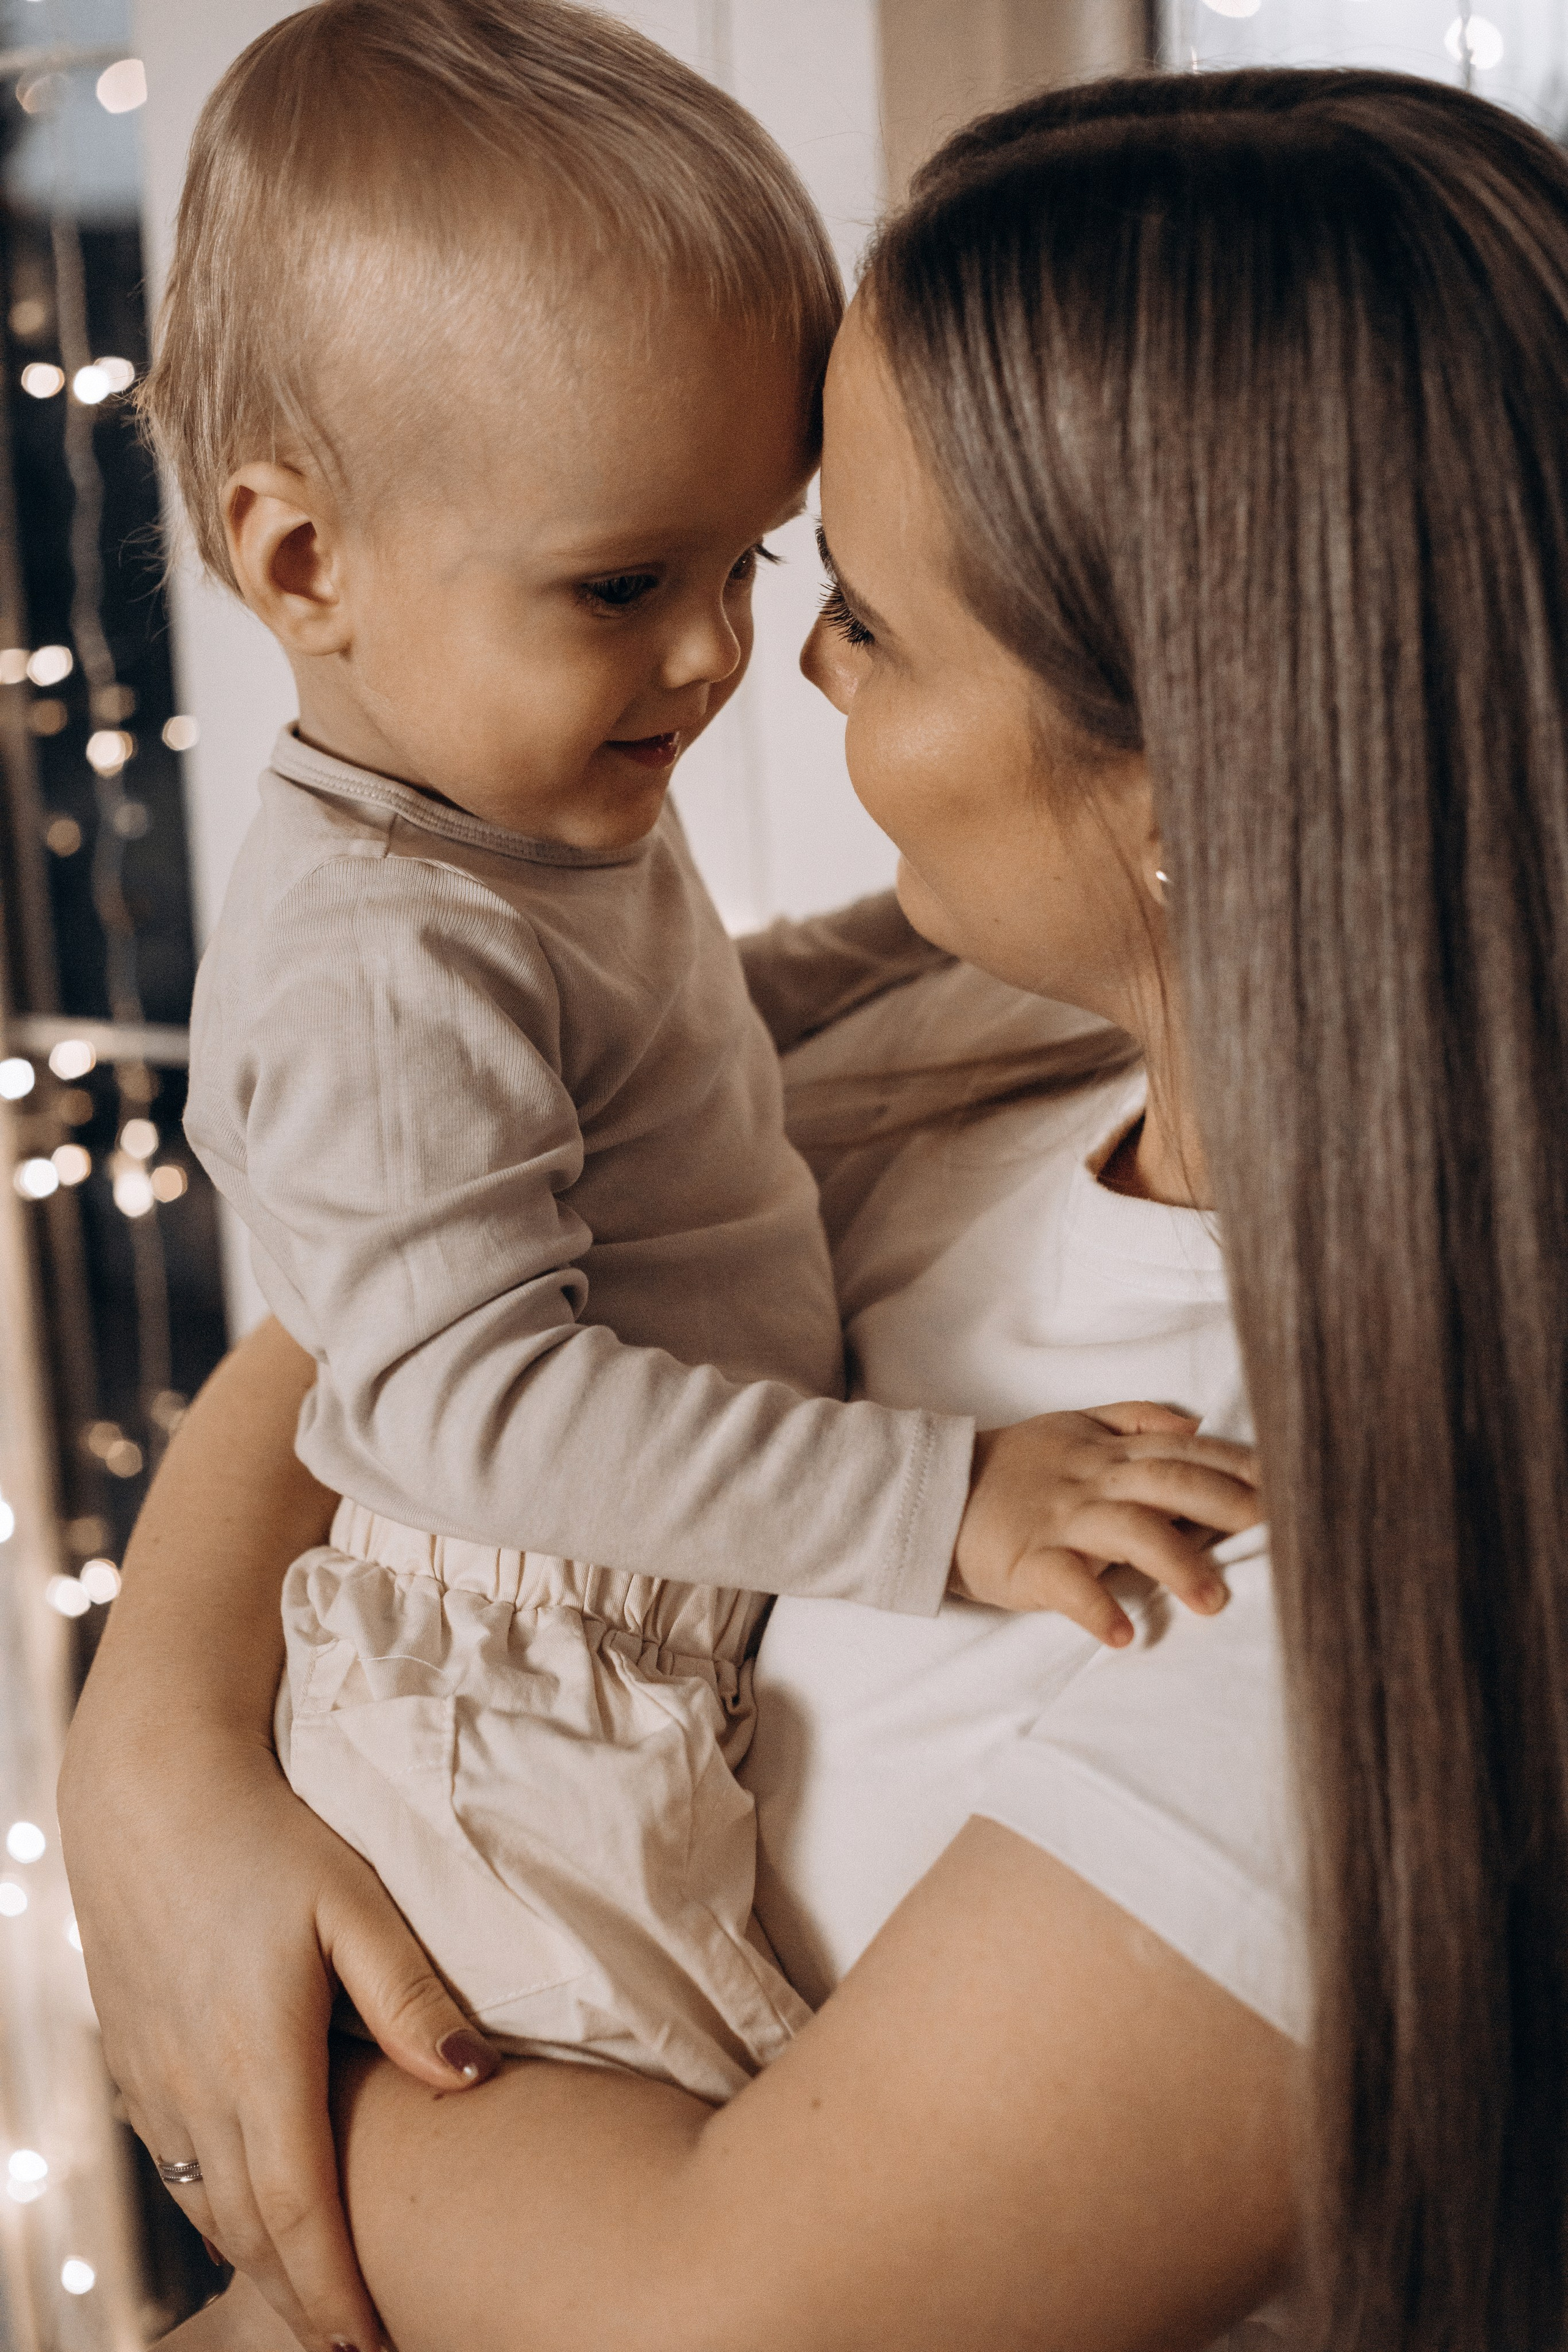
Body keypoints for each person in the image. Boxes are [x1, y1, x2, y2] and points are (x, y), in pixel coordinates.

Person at [60, 59, 1568, 2352]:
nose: (768, 666)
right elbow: (391, 1338)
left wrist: (279, 2047)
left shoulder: (1367, 1570)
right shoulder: (1000, 1051)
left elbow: (709, 2316)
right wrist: (150, 1756)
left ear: (1194, 769)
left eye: (846, 601)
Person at [149, 0, 1256, 2114]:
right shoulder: (382, 960)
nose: (726, 656)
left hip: (629, 1650)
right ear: (304, 563)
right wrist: (951, 1504)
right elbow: (466, 1396)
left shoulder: (510, 826)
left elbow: (706, 1027)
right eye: (622, 583)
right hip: (527, 1714)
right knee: (632, 2138)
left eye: (751, 565)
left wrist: (996, 952)